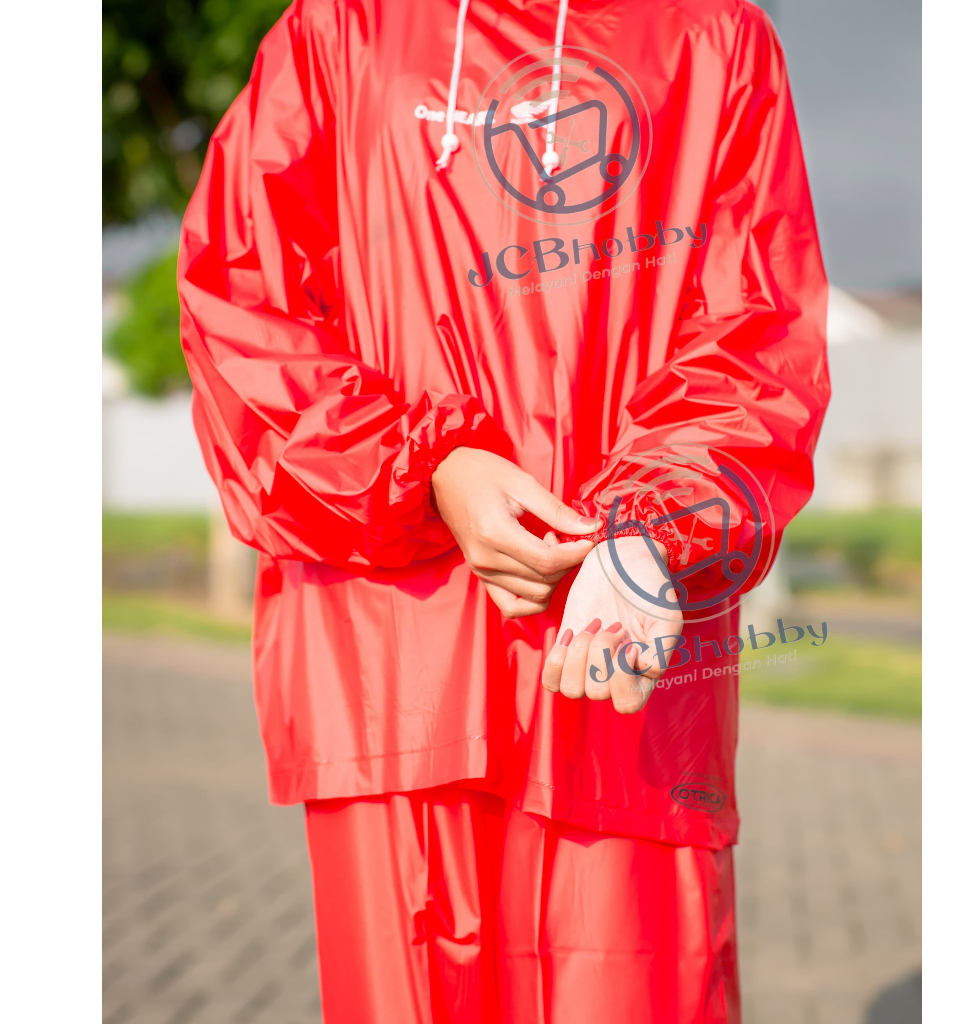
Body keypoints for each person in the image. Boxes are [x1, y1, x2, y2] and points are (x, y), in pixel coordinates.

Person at [178, 0, 829, 1020]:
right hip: (394, 651)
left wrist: (653, 527)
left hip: (616, 649)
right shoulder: (339, 29)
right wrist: (428, 466)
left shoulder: (711, 36)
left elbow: (759, 328)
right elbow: (241, 295)